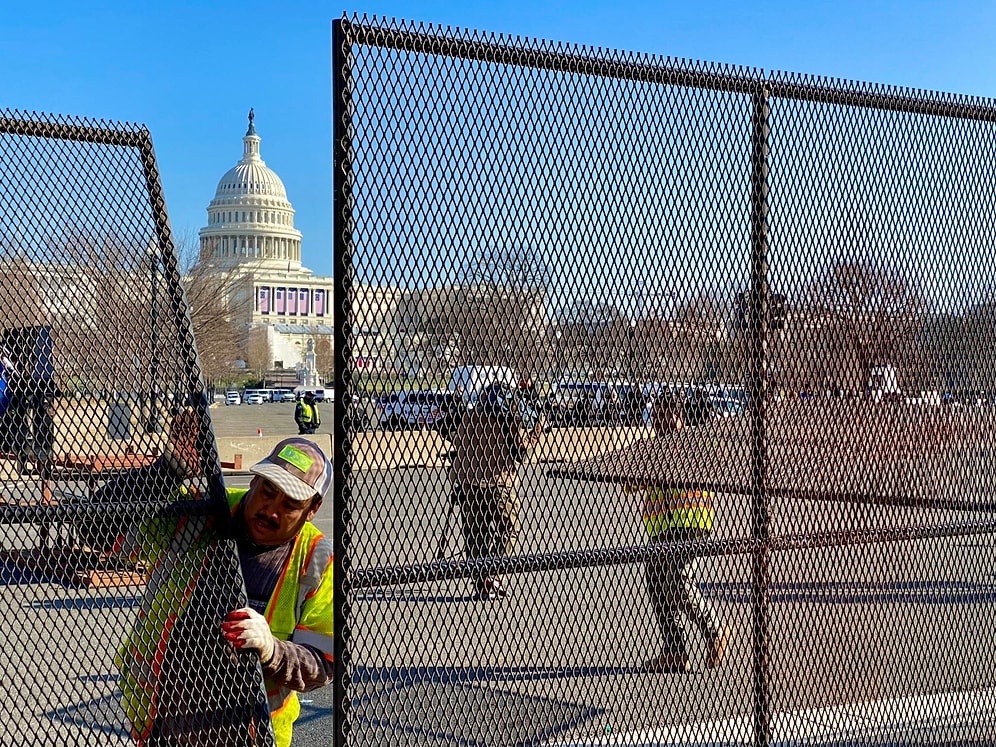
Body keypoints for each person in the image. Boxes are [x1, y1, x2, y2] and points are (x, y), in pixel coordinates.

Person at [112, 424, 334, 747]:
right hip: (167, 720)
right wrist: (168, 470)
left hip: (250, 731)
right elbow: (98, 529)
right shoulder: (204, 511)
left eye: (290, 505)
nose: (271, 510)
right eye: (268, 491)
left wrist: (273, 650)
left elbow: (323, 663)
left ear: (312, 510)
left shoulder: (318, 558)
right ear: (254, 480)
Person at [628, 393, 731, 673]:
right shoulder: (650, 448)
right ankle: (674, 650)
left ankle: (715, 630)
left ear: (679, 416)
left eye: (665, 415)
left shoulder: (694, 443)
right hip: (661, 528)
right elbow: (630, 483)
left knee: (678, 582)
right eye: (656, 416)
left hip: (691, 523)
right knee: (656, 583)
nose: (659, 421)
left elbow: (716, 465)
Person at [447, 382, 544, 600]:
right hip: (499, 482)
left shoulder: (469, 417)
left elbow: (458, 444)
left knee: (475, 534)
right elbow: (522, 449)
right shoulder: (507, 418)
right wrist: (538, 428)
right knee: (510, 528)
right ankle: (494, 571)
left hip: (469, 482)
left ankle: (481, 581)